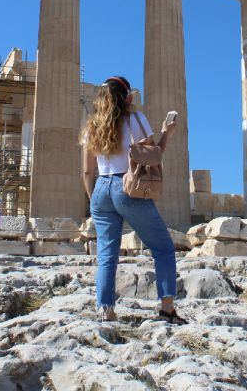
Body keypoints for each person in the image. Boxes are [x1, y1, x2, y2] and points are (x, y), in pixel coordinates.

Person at [82, 76, 184, 324]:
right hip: (127, 186)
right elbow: (153, 156)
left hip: (100, 189)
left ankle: (106, 311)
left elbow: (86, 171)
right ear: (126, 96)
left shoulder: (91, 126)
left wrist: (94, 200)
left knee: (106, 254)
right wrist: (166, 133)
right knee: (163, 247)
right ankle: (167, 310)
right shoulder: (136, 119)